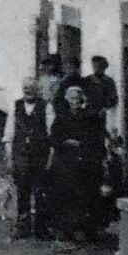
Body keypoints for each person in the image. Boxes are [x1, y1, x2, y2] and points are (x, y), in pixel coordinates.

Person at [45, 85, 108, 241]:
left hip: (86, 161)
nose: (75, 102)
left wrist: (83, 146)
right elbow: (54, 138)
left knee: (87, 196)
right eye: (72, 98)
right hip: (66, 162)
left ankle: (87, 230)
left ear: (82, 100)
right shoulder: (61, 118)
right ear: (67, 100)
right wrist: (67, 142)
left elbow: (97, 140)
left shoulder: (91, 117)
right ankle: (67, 229)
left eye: (78, 98)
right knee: (66, 196)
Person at [8, 77, 53, 238]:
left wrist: (50, 157)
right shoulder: (16, 106)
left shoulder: (46, 107)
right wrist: (9, 156)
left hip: (39, 155)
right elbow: (9, 133)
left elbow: (51, 133)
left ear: (37, 89)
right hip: (20, 154)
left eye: (31, 87)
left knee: (40, 191)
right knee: (22, 191)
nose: (27, 90)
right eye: (25, 87)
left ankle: (41, 228)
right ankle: (23, 226)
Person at [82, 55, 120, 128]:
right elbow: (81, 95)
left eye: (99, 67)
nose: (96, 69)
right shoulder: (87, 80)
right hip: (88, 113)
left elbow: (114, 98)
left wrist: (105, 107)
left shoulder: (108, 81)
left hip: (101, 114)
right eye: (94, 66)